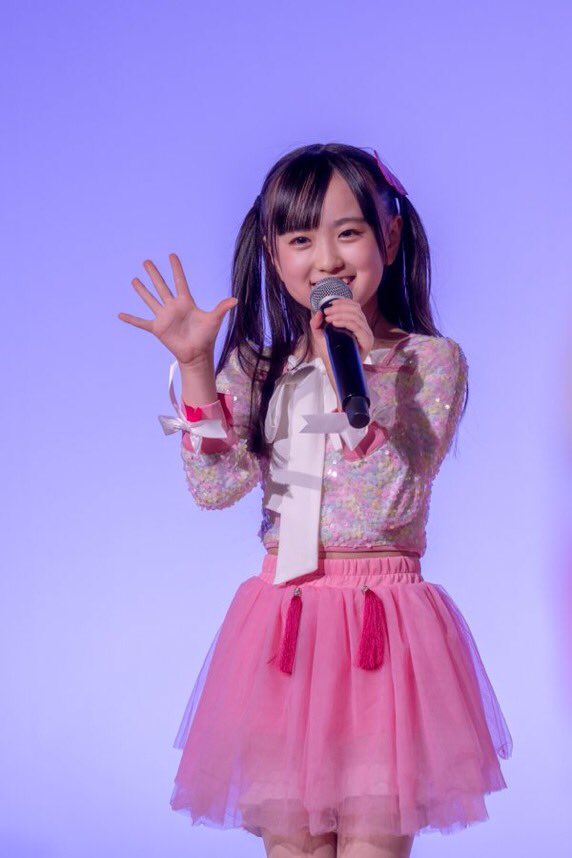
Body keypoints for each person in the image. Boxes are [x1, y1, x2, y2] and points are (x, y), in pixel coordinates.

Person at [118, 143, 513, 858]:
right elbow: (214, 487)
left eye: (348, 232)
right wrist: (198, 369)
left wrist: (360, 373)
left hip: (379, 630)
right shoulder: (259, 368)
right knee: (294, 846)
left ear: (390, 236)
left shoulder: (428, 362)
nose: (327, 258)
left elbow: (396, 490)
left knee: (371, 843)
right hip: (286, 629)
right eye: (301, 239)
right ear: (274, 256)